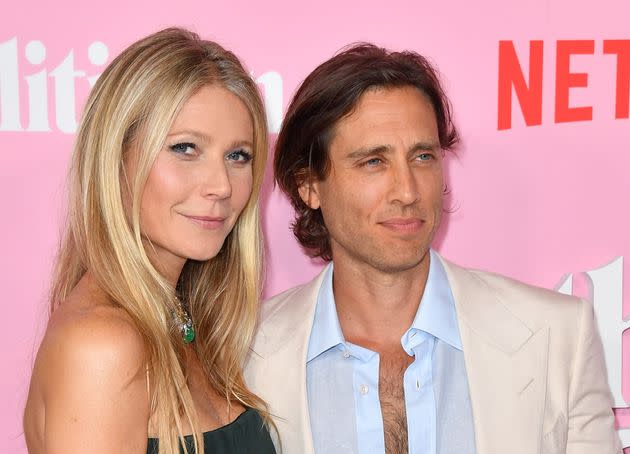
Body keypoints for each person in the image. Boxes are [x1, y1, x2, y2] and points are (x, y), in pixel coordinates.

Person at [244, 43, 621, 454]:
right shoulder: (243, 354)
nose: (408, 191)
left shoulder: (557, 336)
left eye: (423, 156)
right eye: (374, 161)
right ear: (309, 185)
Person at [23, 28, 276, 454]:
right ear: (116, 159)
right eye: (185, 148)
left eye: (238, 156)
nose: (221, 186)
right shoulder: (102, 346)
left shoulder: (180, 317)